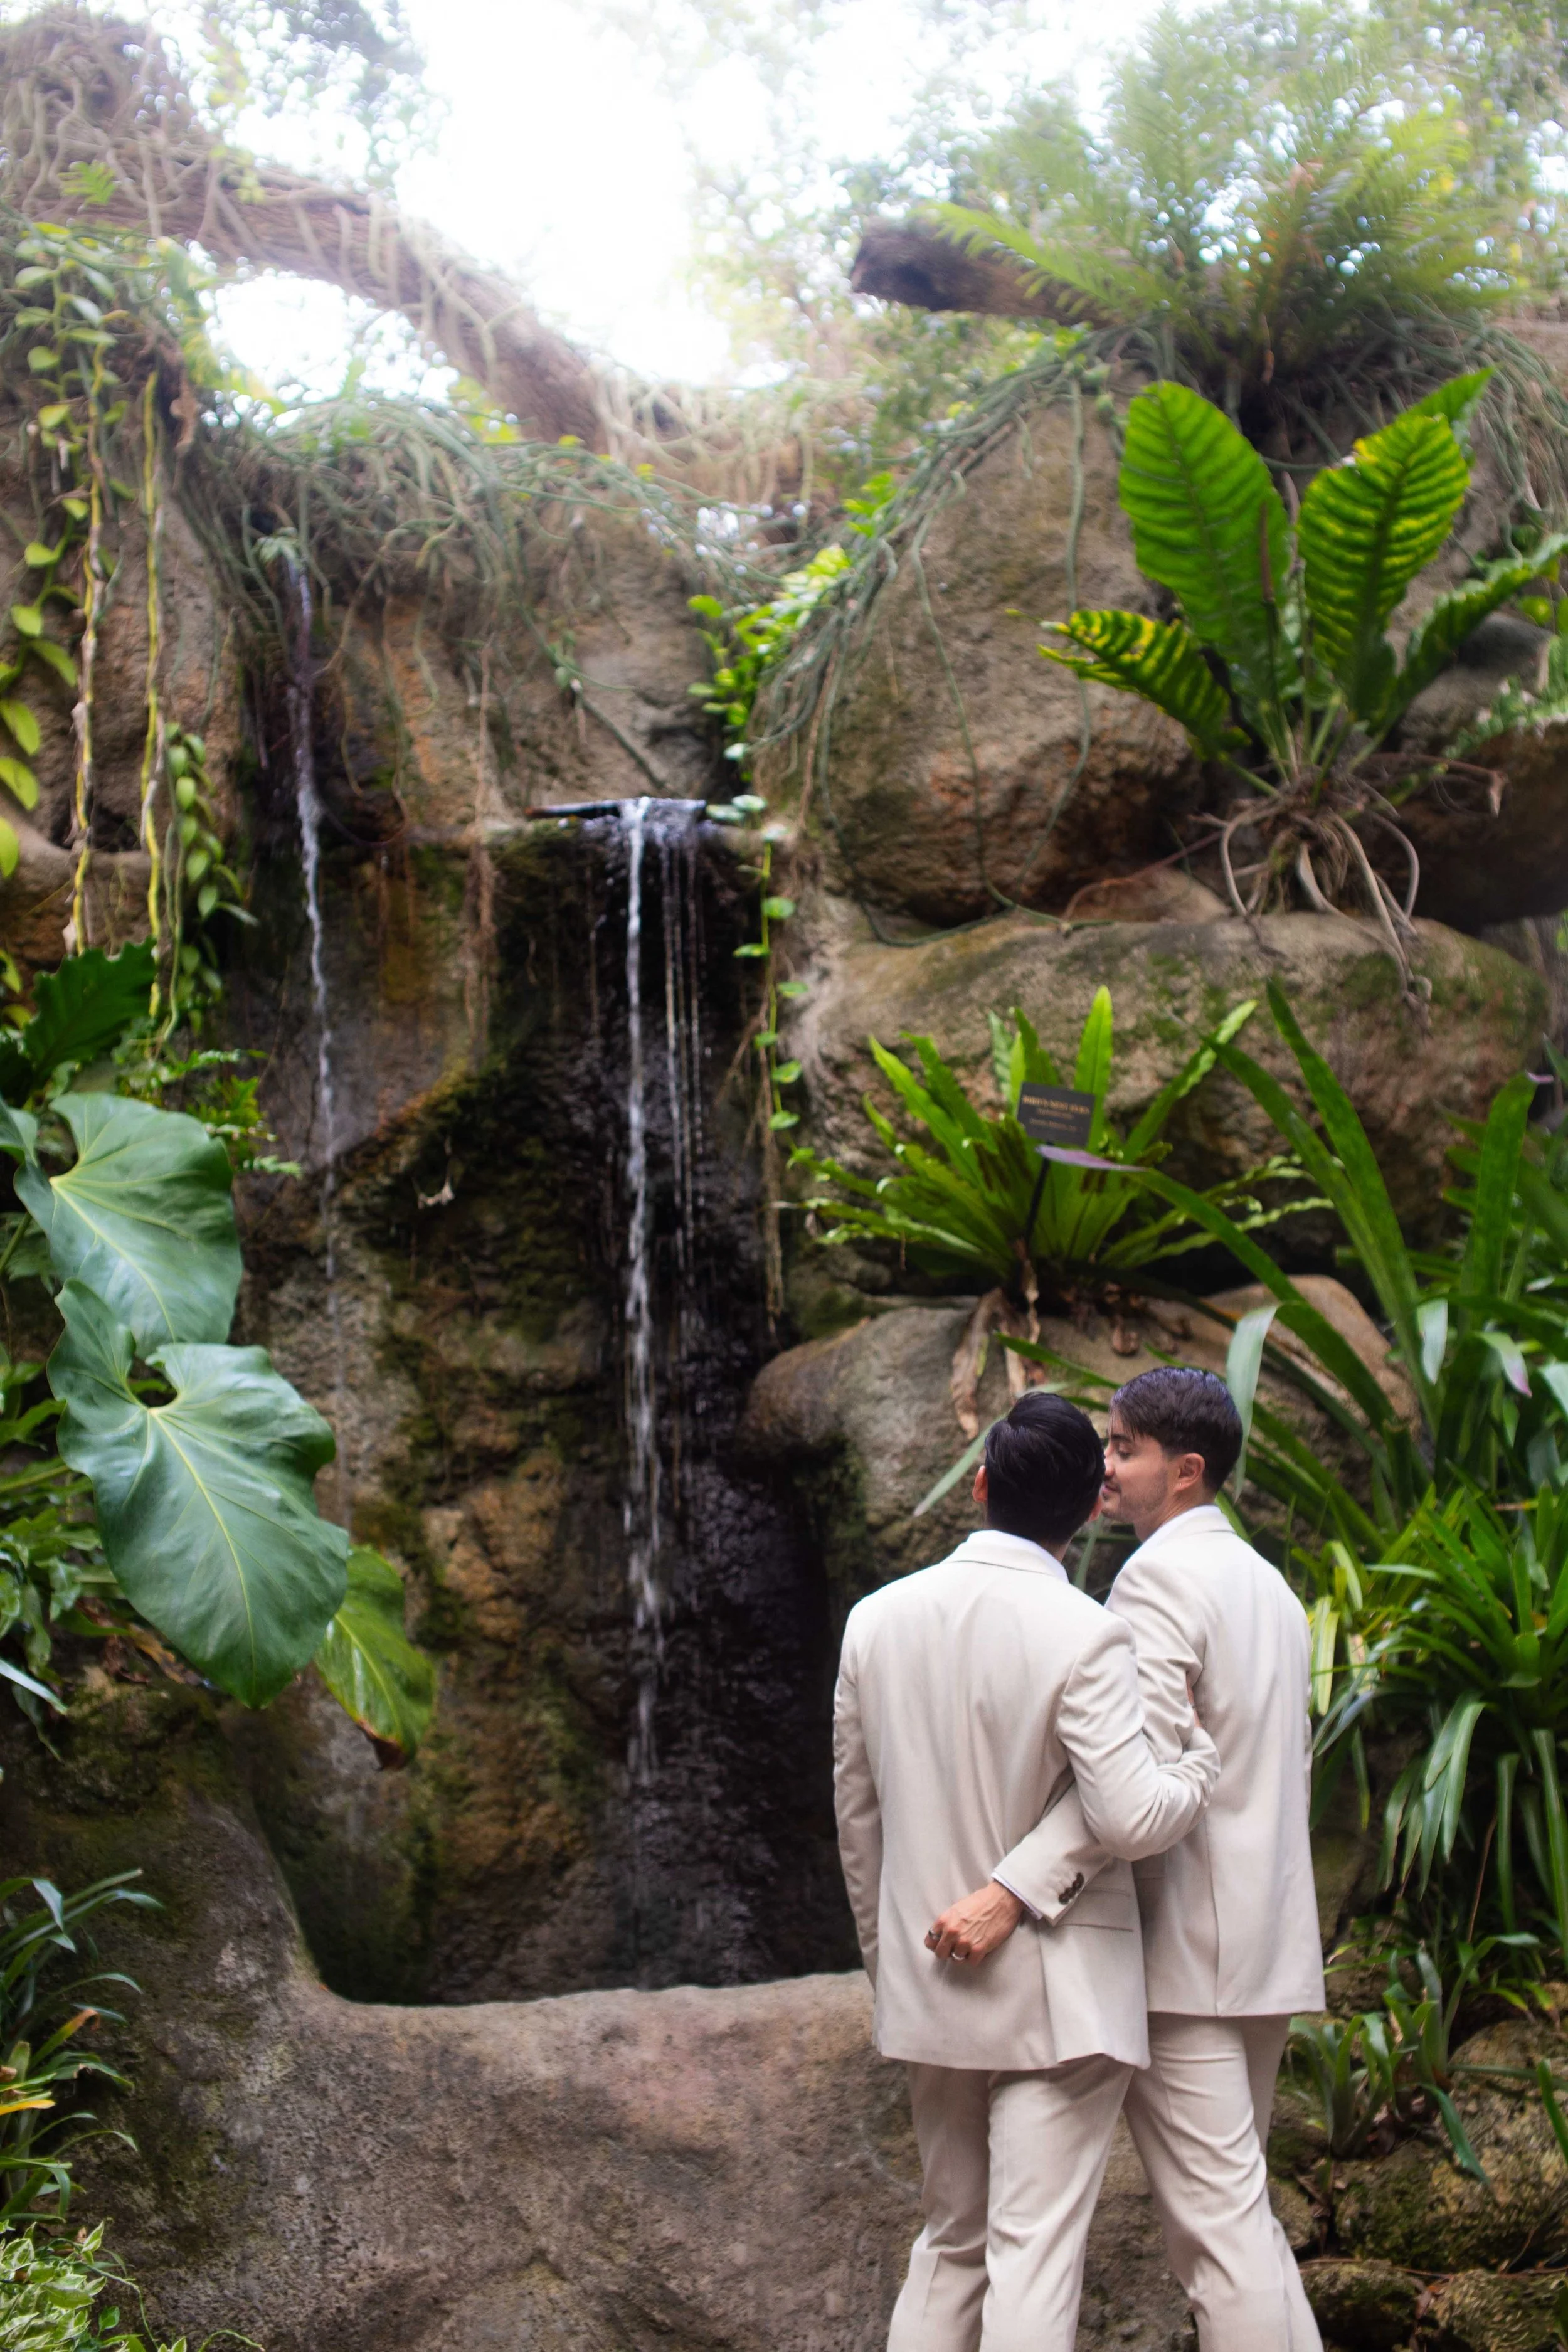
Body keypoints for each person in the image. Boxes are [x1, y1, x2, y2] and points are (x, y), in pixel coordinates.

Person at [833, 1389, 1221, 2352]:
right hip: (1061, 2003)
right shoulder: (1088, 1632)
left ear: (977, 1486)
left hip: (930, 1985)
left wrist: (891, 1970)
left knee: (950, 2244)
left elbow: (858, 1821)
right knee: (1031, 2255)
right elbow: (1129, 1814)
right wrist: (1198, 1770)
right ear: (1095, 1504)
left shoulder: (873, 1623)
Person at [1012, 1365, 1325, 2352]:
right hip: (1266, 1943)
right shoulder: (1271, 1586)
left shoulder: (1155, 1578)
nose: (1104, 1466)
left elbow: (1129, 1787)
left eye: (1124, 1449)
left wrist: (1015, 1885)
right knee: (1246, 2216)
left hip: (1188, 1952)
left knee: (1217, 2232)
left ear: (1186, 1470)